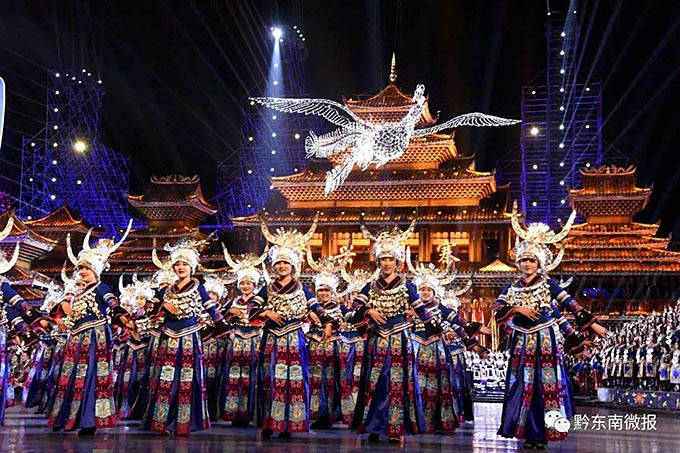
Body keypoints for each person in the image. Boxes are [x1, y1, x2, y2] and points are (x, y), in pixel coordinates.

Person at [494, 203, 609, 449]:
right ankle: (528, 433)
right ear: (518, 263)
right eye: (524, 260)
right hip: (521, 344)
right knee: (522, 386)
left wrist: (593, 325)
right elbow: (498, 312)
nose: (527, 264)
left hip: (545, 342)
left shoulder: (548, 284)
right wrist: (517, 309)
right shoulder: (511, 288)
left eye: (531, 260)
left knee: (544, 387)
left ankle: (543, 434)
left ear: (539, 264)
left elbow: (570, 304)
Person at [348, 220, 442, 443]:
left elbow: (421, 310)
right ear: (378, 261)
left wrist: (436, 328)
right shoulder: (370, 286)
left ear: (397, 262)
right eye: (383, 259)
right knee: (375, 383)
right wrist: (369, 310)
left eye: (391, 259)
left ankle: (395, 428)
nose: (387, 263)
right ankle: (374, 426)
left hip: (400, 338)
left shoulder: (406, 286)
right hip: (377, 339)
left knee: (397, 384)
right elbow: (354, 309)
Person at [48, 220, 135, 435]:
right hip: (76, 337)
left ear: (96, 270)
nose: (83, 271)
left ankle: (88, 421)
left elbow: (112, 303)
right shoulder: (77, 294)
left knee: (91, 377)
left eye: (87, 268)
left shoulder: (101, 288)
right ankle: (65, 417)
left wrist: (122, 317)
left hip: (96, 336)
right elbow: (66, 315)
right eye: (81, 268)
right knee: (70, 375)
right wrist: (61, 318)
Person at [141, 236, 229, 436]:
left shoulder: (199, 289)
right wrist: (163, 306)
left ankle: (183, 423)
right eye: (177, 264)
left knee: (187, 380)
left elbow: (213, 312)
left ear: (192, 267)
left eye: (184, 264)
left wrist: (223, 328)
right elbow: (150, 310)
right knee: (165, 378)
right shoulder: (165, 290)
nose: (180, 267)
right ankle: (162, 421)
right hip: (168, 338)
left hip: (189, 338)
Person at [251, 215, 324, 439]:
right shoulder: (267, 288)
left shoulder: (302, 289)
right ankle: (269, 423)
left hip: (294, 339)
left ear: (293, 266)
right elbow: (252, 310)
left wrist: (326, 322)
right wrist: (267, 313)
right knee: (270, 380)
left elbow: (317, 308)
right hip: (272, 339)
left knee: (294, 380)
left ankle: (289, 424)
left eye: (286, 263)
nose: (282, 266)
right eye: (278, 263)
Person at [405, 248, 487, 433]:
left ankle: (433, 421)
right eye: (422, 290)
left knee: (436, 386)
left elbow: (459, 324)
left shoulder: (442, 309)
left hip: (436, 351)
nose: (425, 293)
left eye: (429, 290)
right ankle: (415, 420)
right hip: (415, 349)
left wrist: (474, 342)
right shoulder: (410, 308)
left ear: (435, 293)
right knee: (415, 385)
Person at [218, 245, 268, 426]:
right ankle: (235, 414)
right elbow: (219, 318)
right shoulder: (233, 302)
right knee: (233, 377)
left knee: (252, 377)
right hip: (236, 341)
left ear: (255, 285)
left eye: (249, 283)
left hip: (255, 340)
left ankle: (251, 414)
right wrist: (229, 312)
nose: (245, 286)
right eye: (242, 284)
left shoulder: (261, 302)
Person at [305, 246, 353, 429]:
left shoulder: (341, 308)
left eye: (327, 290)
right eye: (321, 291)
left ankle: (330, 415)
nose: (324, 294)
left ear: (333, 292)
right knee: (315, 380)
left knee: (331, 382)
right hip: (314, 348)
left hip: (333, 350)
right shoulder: (310, 309)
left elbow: (353, 318)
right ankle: (317, 414)